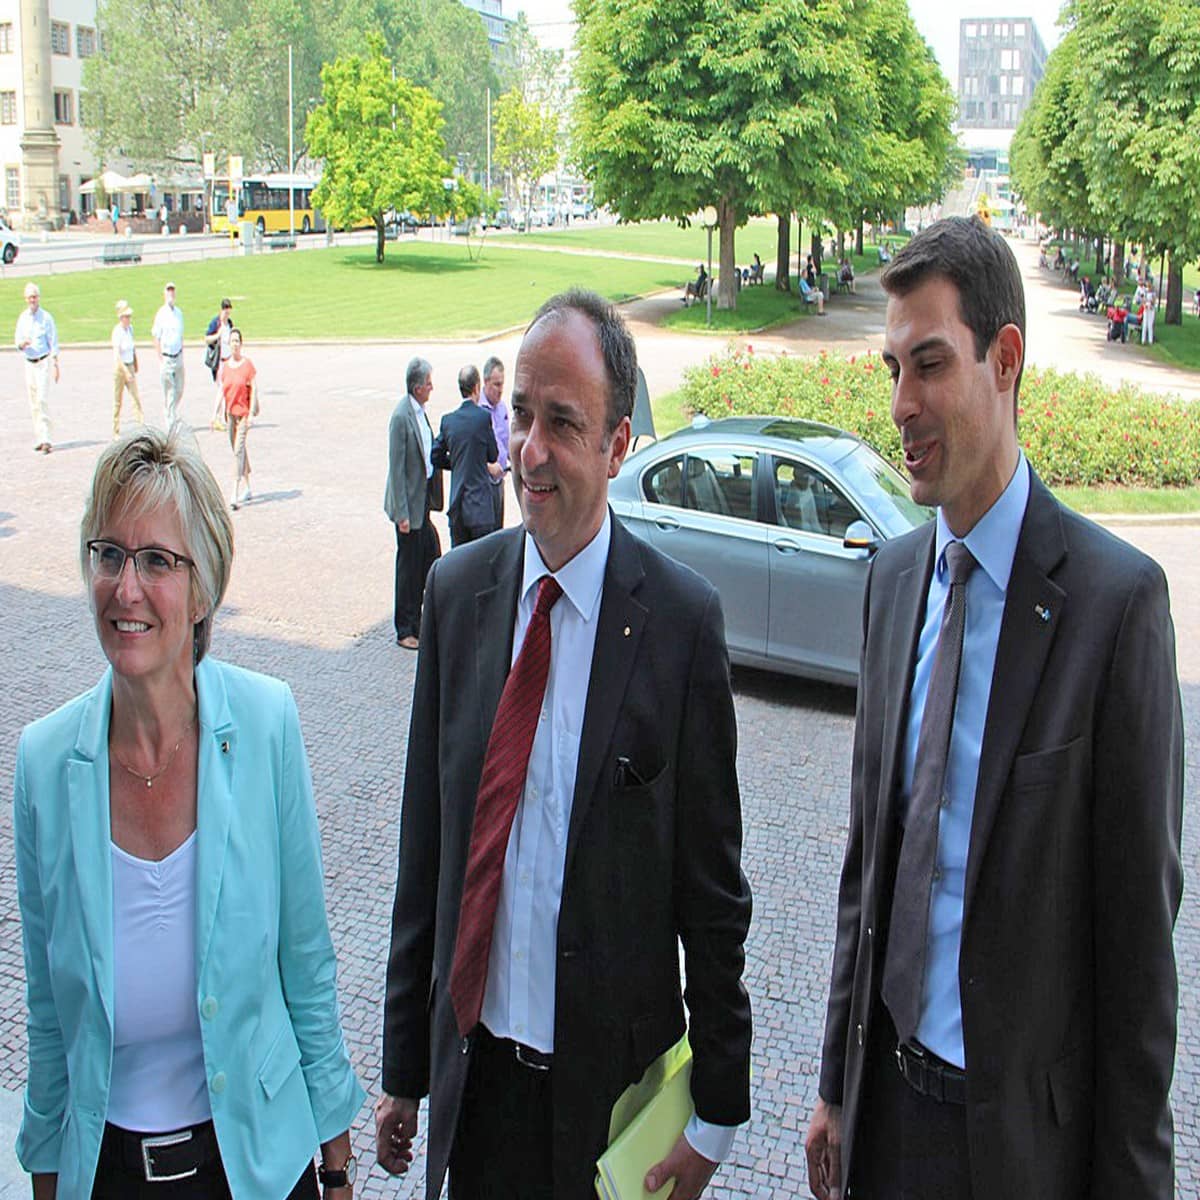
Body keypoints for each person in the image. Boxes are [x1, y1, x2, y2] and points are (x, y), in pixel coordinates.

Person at [805, 216, 1183, 1200]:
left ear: (1005, 358)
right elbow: (868, 870)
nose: (900, 405)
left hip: (1021, 1155)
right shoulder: (892, 584)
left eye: (928, 364)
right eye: (890, 369)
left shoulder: (1115, 605)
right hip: (885, 1118)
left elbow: (1138, 967)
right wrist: (835, 1090)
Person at [376, 290, 753, 1200]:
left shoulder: (679, 624)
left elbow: (711, 895)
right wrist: (403, 1066)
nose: (529, 454)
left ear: (619, 444)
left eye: (563, 424)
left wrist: (717, 1115)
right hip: (481, 1093)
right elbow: (425, 851)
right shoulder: (458, 596)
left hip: (610, 1112)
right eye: (521, 417)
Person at [13, 426, 365, 1200]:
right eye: (109, 554)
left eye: (157, 561)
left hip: (255, 1170)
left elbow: (307, 965)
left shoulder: (267, 722)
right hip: (108, 1177)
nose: (125, 588)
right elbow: (48, 1020)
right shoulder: (44, 765)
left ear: (203, 588)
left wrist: (336, 1169)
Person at [384, 357, 441, 650]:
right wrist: (402, 515)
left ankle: (418, 623)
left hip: (423, 504)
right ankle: (404, 628)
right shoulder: (401, 417)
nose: (432, 387)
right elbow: (396, 471)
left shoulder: (420, 413)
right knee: (408, 569)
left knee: (428, 559)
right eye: (429, 383)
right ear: (418, 387)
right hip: (409, 510)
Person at [432, 364, 501, 547]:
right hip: (479, 508)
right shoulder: (482, 418)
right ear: (477, 387)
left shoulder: (449, 421)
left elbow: (435, 456)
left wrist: (456, 461)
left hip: (458, 508)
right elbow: (492, 455)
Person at [14, 281, 59, 454]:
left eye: (35, 297)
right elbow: (17, 339)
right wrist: (21, 344)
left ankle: (47, 437)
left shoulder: (46, 318)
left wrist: (56, 364)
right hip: (29, 362)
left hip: (43, 362)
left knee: (42, 398)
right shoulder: (23, 318)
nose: (32, 300)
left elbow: (53, 341)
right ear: (26, 299)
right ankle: (39, 437)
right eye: (29, 297)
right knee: (33, 401)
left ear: (38, 298)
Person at [218, 329, 259, 510]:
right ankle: (248, 486)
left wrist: (250, 414)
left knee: (237, 450)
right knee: (239, 449)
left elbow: (255, 388)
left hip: (243, 414)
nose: (235, 344)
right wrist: (215, 413)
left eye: (237, 341)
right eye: (232, 341)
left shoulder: (247, 365)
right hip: (230, 415)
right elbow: (221, 390)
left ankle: (234, 491)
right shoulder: (225, 367)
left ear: (241, 344)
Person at [480, 355, 511, 527]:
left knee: (499, 528)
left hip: (500, 481)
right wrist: (488, 467)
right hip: (484, 483)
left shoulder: (502, 408)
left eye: (502, 384)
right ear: (485, 382)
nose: (500, 390)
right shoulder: (478, 411)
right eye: (496, 385)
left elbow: (507, 439)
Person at [151, 282, 186, 426]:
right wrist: (160, 357)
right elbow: (156, 336)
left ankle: (171, 411)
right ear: (164, 294)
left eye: (173, 291)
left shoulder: (179, 313)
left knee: (179, 388)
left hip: (178, 356)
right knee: (170, 391)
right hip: (166, 357)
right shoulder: (161, 314)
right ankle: (170, 420)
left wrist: (182, 352)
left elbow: (180, 335)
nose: (171, 294)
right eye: (168, 291)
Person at [111, 300, 143, 438]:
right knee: (118, 400)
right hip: (120, 368)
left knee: (135, 397)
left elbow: (132, 347)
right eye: (126, 316)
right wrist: (125, 371)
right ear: (121, 318)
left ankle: (140, 425)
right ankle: (115, 430)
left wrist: (135, 363)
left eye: (129, 316)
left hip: (129, 365)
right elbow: (117, 354)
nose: (129, 319)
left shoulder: (130, 329)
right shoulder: (117, 332)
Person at [205, 299, 234, 431]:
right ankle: (214, 417)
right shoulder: (215, 323)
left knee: (224, 390)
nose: (227, 315)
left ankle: (222, 418)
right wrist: (217, 335)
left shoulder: (230, 324)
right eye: (225, 311)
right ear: (221, 310)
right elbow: (207, 338)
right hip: (219, 361)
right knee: (222, 389)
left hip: (228, 360)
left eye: (229, 312)